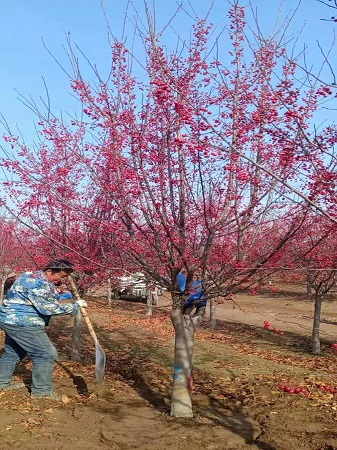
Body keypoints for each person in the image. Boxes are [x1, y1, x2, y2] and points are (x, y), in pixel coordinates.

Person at [0, 259, 87, 400]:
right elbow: (47, 308)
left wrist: (68, 296)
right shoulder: (38, 283)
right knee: (46, 354)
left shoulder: (32, 276)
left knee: (14, 352)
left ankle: (1, 382)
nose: (62, 280)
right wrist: (75, 306)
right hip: (23, 322)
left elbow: (47, 296)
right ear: (49, 271)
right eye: (62, 276)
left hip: (9, 319)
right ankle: (41, 392)